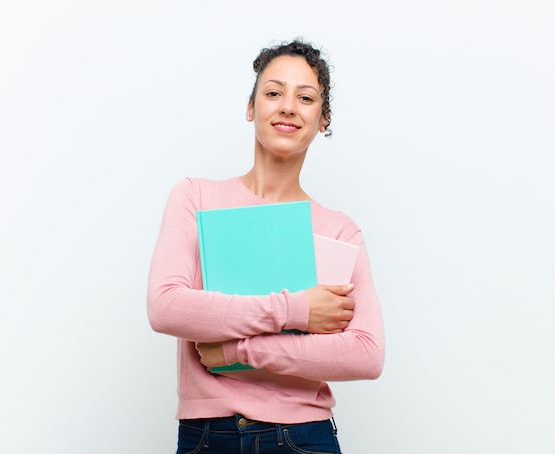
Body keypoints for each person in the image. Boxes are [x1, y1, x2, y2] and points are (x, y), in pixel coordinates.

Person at [147, 39, 385, 454]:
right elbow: (166, 306)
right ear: (250, 107)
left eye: (305, 98)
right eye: (273, 92)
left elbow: (366, 354)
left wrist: (243, 350)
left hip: (303, 437)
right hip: (207, 436)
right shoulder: (195, 198)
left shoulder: (339, 230)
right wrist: (297, 310)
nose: (288, 107)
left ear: (323, 118)